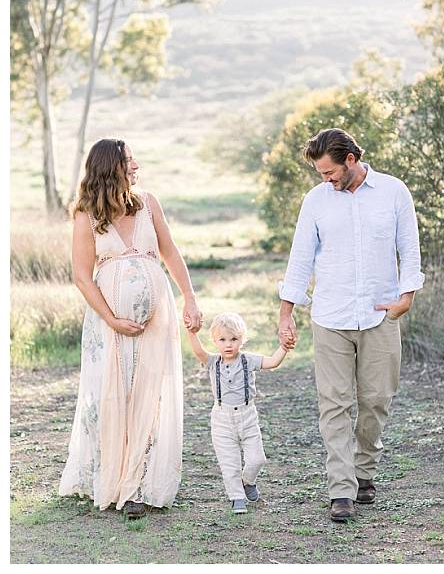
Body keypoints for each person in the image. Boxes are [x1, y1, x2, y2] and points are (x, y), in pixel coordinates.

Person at [278, 128, 425, 523]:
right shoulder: (316, 201)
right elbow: (300, 257)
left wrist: (406, 297)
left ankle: (364, 471)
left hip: (380, 315)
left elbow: (409, 249)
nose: (325, 179)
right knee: (335, 404)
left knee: (376, 399)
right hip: (330, 317)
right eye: (319, 173)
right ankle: (340, 489)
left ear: (350, 160)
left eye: (329, 171)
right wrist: (286, 311)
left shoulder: (394, 192)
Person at [60, 139, 202, 520]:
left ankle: (139, 484)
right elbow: (82, 276)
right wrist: (111, 317)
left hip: (157, 320)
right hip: (109, 326)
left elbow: (171, 253)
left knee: (149, 395)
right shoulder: (86, 215)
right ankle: (112, 478)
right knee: (112, 395)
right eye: (128, 160)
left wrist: (189, 297)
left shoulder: (147, 202)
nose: (136, 164)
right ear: (111, 167)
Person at [187, 312, 288, 514]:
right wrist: (192, 332)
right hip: (222, 418)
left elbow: (273, 362)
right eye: (222, 340)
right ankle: (236, 497)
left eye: (234, 339)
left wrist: (284, 347)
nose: (228, 344)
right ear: (215, 341)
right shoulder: (213, 362)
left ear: (242, 339)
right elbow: (199, 352)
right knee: (229, 462)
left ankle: (247, 481)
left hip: (247, 415)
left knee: (257, 459)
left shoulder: (247, 360)